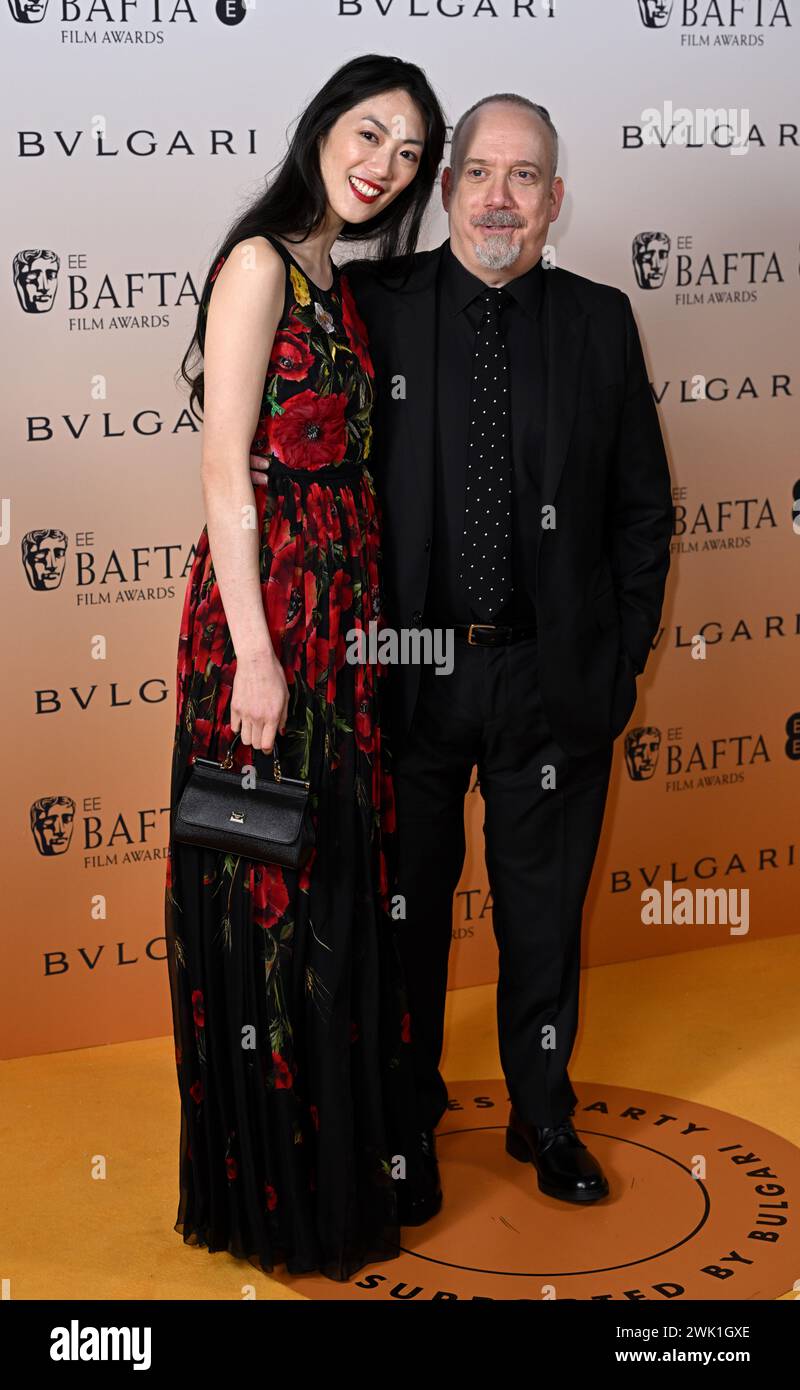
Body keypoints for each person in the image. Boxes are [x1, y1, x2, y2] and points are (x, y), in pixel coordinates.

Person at [344, 94, 673, 1212]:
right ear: (442, 193)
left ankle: (542, 1115)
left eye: (522, 177)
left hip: (550, 677)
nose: (496, 197)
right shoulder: (370, 307)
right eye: (477, 173)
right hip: (409, 671)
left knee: (540, 915)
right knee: (406, 915)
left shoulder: (596, 320)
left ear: (553, 200)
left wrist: (613, 655)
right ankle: (403, 1120)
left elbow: (641, 511)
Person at [164, 54, 446, 1284]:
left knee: (331, 881)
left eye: (407, 154)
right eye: (368, 131)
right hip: (267, 617)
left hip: (345, 616)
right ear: (323, 122)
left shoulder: (344, 275)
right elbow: (226, 471)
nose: (381, 164)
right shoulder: (261, 264)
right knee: (267, 895)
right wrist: (260, 659)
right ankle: (275, 1196)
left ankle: (335, 1162)